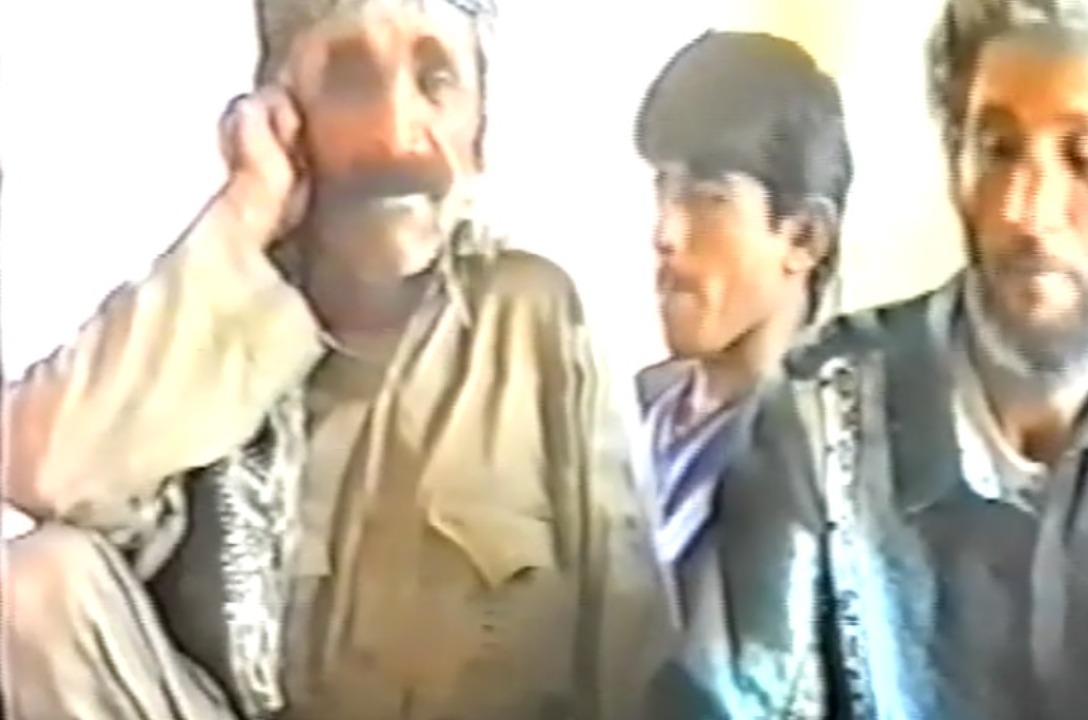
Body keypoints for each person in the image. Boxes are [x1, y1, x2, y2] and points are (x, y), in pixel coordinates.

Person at [1, 1, 648, 719]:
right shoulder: (216, 321)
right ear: (281, 116)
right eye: (349, 80)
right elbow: (40, 469)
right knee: (33, 586)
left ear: (480, 129)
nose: (395, 135)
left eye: (436, 81)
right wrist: (244, 215)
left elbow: (633, 644)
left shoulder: (533, 316)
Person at [777, 0, 1088, 718]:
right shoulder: (813, 419)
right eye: (998, 148)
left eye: (1079, 158)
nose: (1025, 211)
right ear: (956, 163)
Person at [625, 31, 857, 719]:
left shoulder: (844, 477)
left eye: (708, 198)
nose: (665, 232)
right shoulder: (628, 421)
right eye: (663, 188)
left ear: (803, 238)